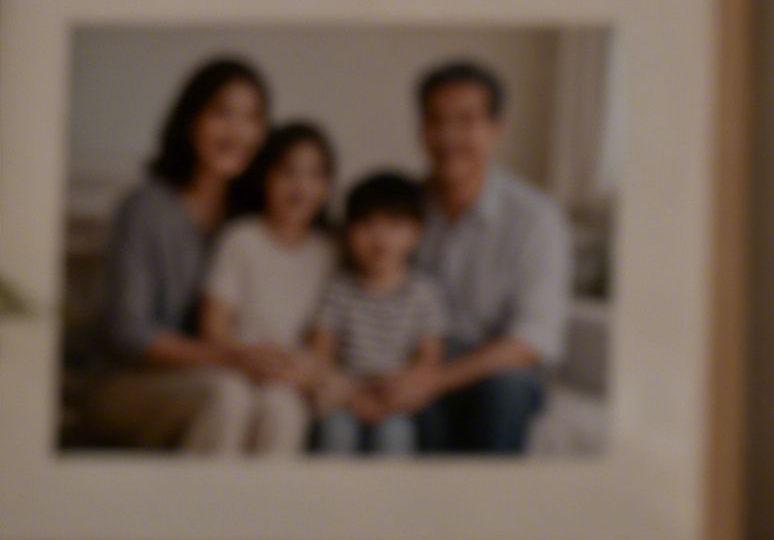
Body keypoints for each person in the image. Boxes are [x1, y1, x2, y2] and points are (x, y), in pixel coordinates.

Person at [85, 57, 307, 455]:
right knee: (228, 396)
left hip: (226, 374)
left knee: (279, 406)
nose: (238, 131)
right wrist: (231, 357)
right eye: (223, 113)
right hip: (128, 383)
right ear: (191, 120)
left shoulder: (252, 216)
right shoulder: (146, 208)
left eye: (252, 118)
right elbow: (128, 334)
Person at [369, 60, 570, 455]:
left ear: (495, 129)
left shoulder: (535, 217)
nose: (448, 137)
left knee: (505, 389)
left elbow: (534, 337)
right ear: (421, 129)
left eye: (465, 121)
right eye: (436, 121)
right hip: (417, 361)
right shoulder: (400, 208)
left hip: (494, 369)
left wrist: (437, 379)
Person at [197, 122, 339, 415]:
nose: (301, 188)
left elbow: (325, 343)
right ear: (266, 177)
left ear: (327, 185)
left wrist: (305, 372)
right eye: (288, 173)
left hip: (293, 378)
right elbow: (213, 329)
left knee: (281, 410)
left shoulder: (330, 253)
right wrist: (245, 358)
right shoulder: (240, 239)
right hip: (236, 367)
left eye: (314, 175)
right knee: (231, 399)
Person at [307, 174, 447, 456]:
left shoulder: (424, 293)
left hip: (395, 400)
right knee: (336, 431)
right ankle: (330, 500)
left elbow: (429, 360)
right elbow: (320, 352)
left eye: (394, 225)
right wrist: (348, 394)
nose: (379, 237)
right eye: (367, 225)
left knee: (395, 435)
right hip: (345, 396)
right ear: (348, 233)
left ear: (416, 233)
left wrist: (398, 395)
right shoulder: (340, 290)